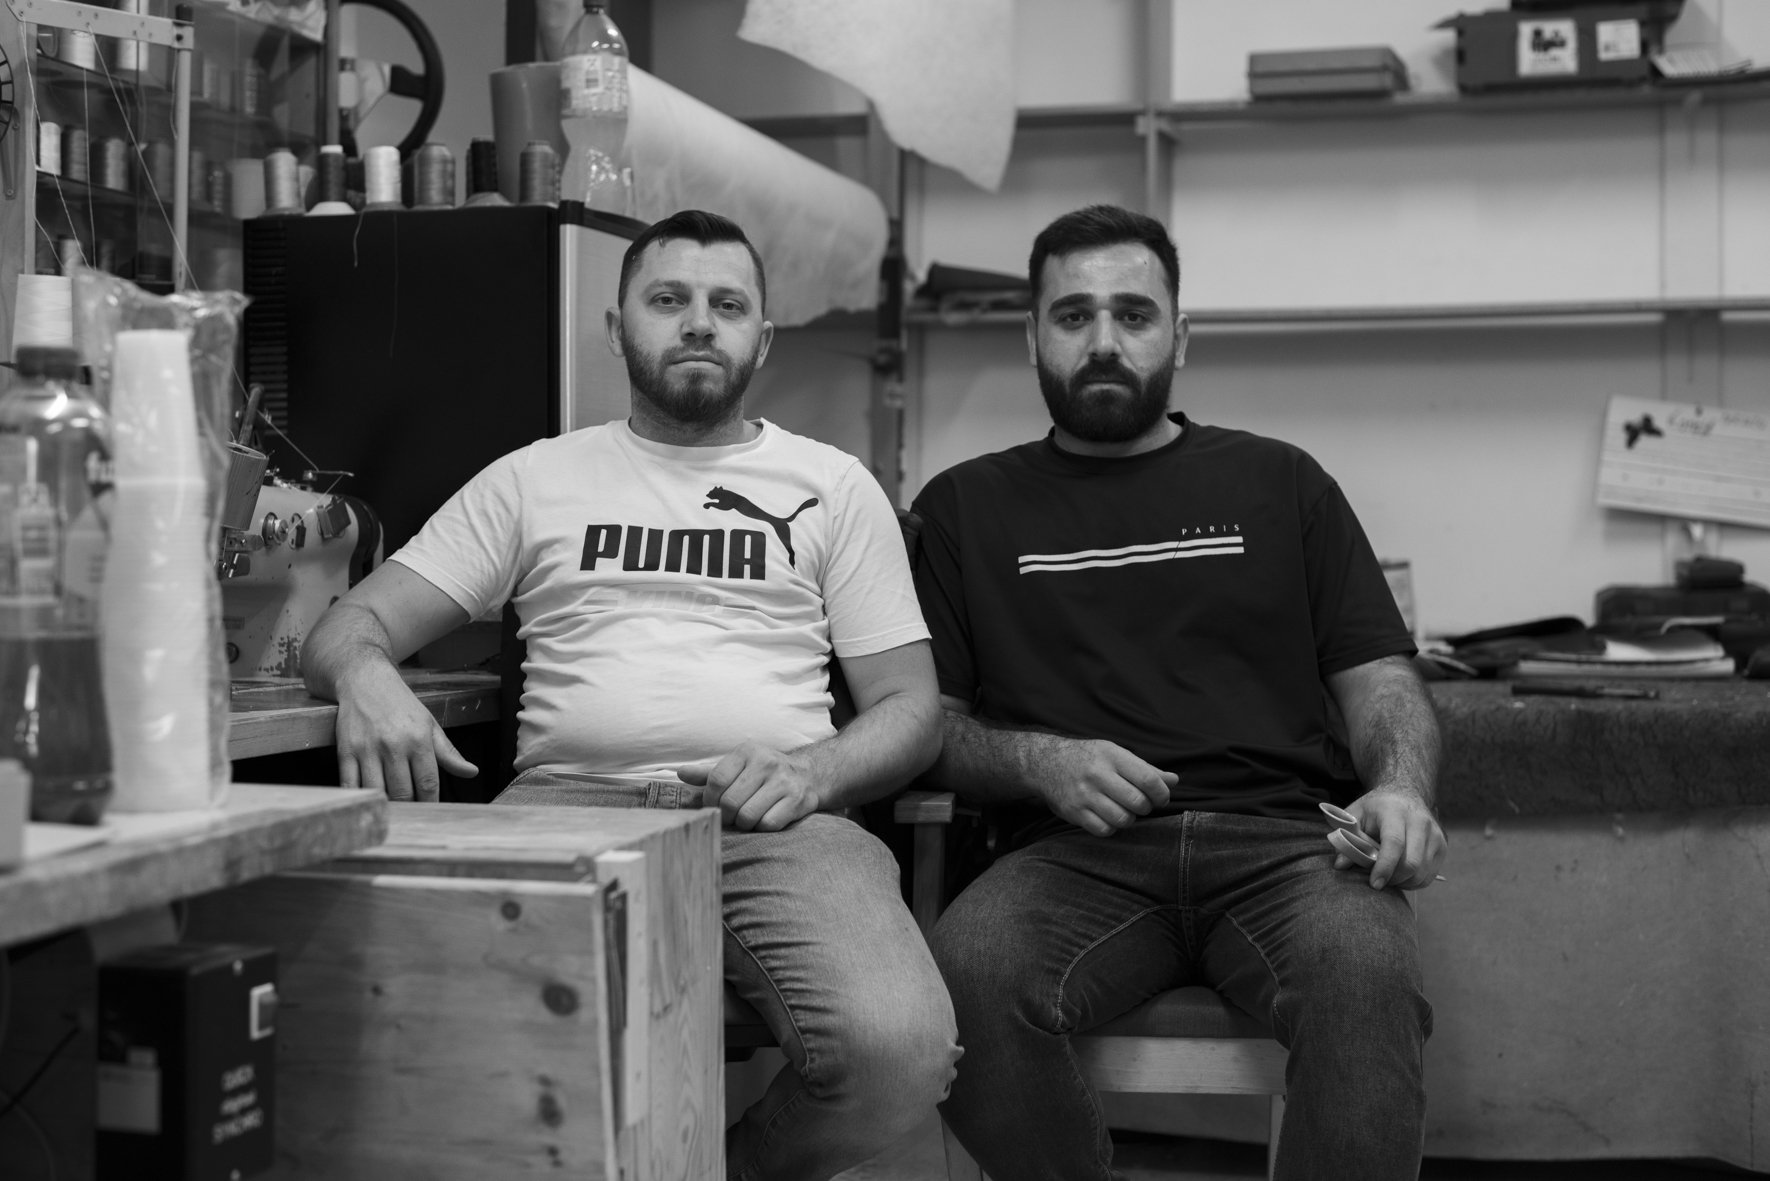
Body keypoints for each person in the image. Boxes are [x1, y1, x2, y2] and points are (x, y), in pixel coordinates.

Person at [303, 209, 959, 1181]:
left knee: (897, 1051)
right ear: (617, 328)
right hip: (566, 810)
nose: (699, 322)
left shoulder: (832, 485)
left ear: (761, 338)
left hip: (781, 824)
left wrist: (811, 770)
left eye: (726, 304)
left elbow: (912, 708)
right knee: (459, 1036)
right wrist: (364, 672)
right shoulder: (535, 478)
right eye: (668, 299)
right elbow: (344, 627)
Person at [909, 204, 1446, 1181]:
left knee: (1369, 977)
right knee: (959, 979)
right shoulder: (961, 507)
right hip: (1075, 855)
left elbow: (1379, 677)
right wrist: (1039, 759)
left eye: (1133, 314)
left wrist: (1402, 784)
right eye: (1071, 316)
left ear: (1180, 334)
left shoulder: (1281, 482)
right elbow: (927, 729)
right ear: (1030, 335)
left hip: (1289, 843)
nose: (1104, 341)